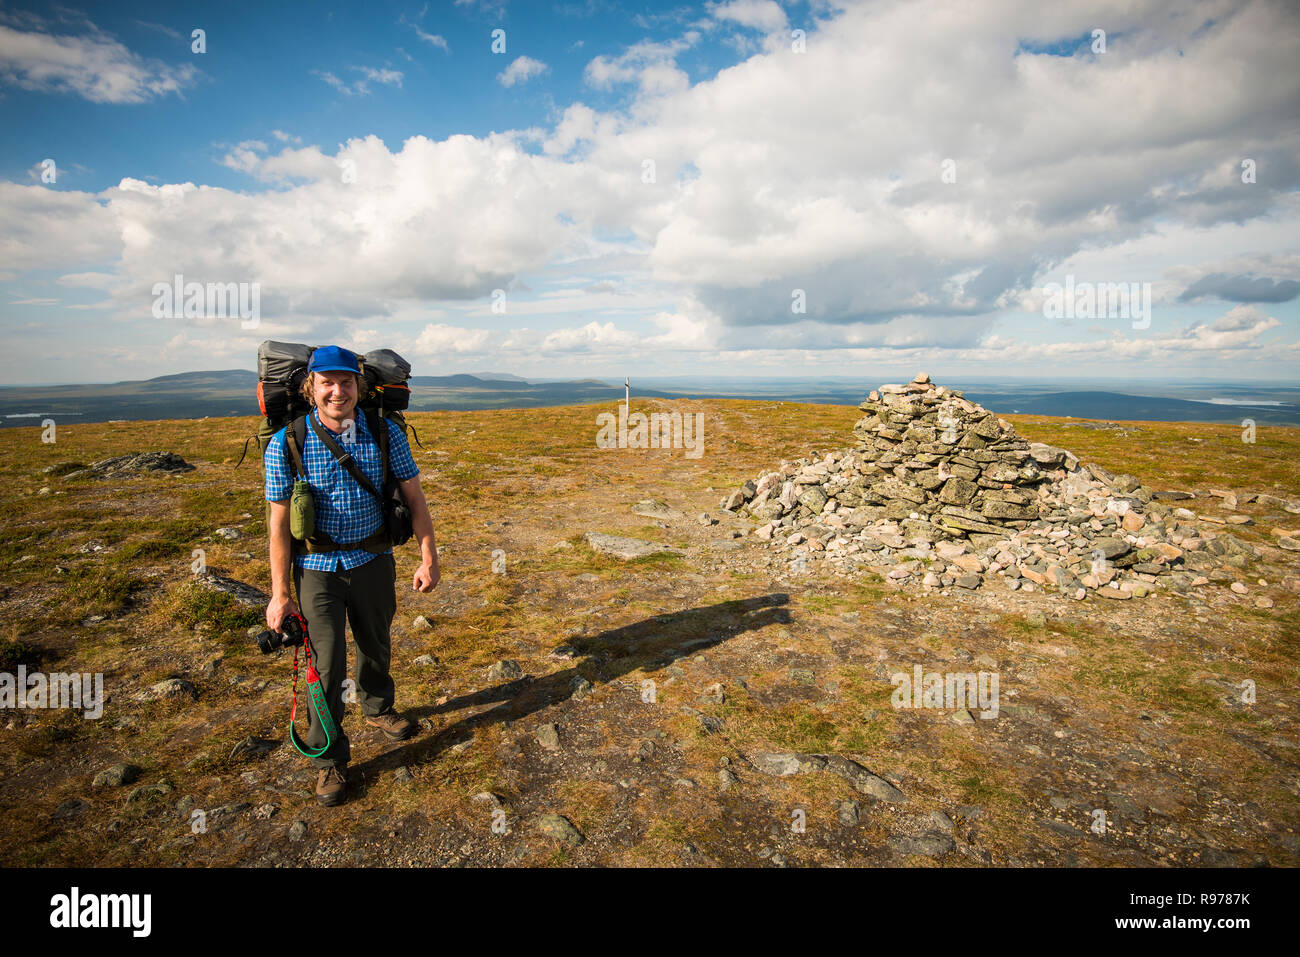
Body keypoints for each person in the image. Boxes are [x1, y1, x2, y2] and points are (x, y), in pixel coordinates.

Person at [263, 345, 440, 807]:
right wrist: (280, 595)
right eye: (327, 382)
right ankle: (328, 759)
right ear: (311, 388)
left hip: (374, 562)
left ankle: (378, 707)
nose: (337, 391)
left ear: (359, 387)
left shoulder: (384, 434)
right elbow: (278, 525)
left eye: (346, 382)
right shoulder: (287, 442)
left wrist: (428, 557)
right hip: (316, 571)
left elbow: (415, 499)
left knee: (376, 641)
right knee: (324, 667)